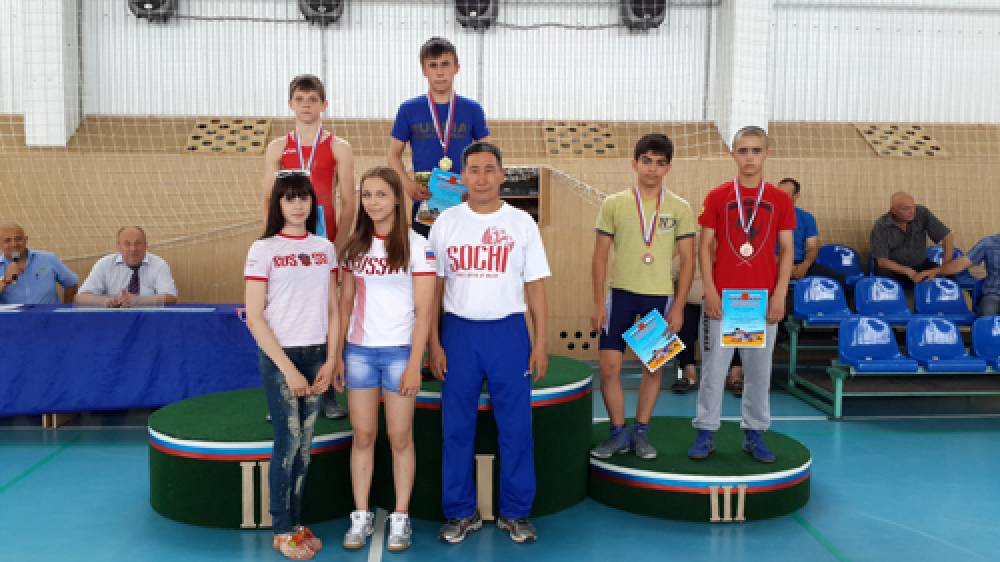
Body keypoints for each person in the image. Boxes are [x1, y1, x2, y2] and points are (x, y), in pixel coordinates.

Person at [428, 142, 549, 544]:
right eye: (474, 170)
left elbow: (535, 287)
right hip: (458, 333)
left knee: (516, 427)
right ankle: (460, 511)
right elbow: (433, 289)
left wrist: (540, 342)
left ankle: (516, 512)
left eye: (488, 169)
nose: (481, 178)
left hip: (508, 333)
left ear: (502, 174)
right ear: (462, 176)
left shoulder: (521, 223)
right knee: (455, 428)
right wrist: (434, 343)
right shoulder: (445, 223)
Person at [335, 167, 436, 552]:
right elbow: (345, 303)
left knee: (400, 436)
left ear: (397, 198)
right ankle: (360, 515)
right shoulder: (354, 247)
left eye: (381, 194)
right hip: (359, 352)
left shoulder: (417, 245)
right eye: (366, 195)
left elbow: (425, 312)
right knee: (362, 435)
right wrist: (338, 355)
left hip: (399, 353)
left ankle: (401, 516)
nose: (373, 202)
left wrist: (415, 363)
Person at [244, 173, 339, 561]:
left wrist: (331, 359)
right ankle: (281, 528)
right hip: (280, 357)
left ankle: (297, 524)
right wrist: (287, 369)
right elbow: (254, 317)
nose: (298, 205)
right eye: (290, 198)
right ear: (278, 205)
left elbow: (333, 308)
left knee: (305, 447)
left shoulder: (324, 248)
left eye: (304, 198)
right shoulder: (263, 249)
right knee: (287, 442)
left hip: (317, 355)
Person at [688, 126, 795, 464]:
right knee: (713, 371)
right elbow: (704, 245)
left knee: (758, 373)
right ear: (733, 154)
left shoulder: (779, 200)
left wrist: (779, 294)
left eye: (756, 150)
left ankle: (755, 433)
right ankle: (706, 431)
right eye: (743, 150)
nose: (750, 157)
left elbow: (787, 249)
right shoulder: (718, 195)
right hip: (723, 300)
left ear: (766, 154)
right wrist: (709, 289)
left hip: (761, 302)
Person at [589, 133, 695, 460]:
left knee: (653, 368)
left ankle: (641, 433)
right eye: (646, 161)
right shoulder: (614, 204)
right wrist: (598, 303)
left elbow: (688, 261)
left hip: (658, 298)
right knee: (609, 368)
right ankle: (618, 433)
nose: (652, 169)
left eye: (660, 163)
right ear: (634, 164)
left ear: (668, 168)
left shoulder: (679, 208)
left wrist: (679, 306)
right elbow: (599, 257)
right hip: (619, 296)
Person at [263, 74, 356, 419]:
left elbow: (349, 200)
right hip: (286, 240)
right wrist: (272, 243)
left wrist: (339, 245)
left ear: (324, 104)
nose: (306, 105)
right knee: (284, 311)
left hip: (325, 239)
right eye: (300, 99)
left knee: (326, 311)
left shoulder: (338, 147)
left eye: (313, 99)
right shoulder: (277, 147)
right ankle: (282, 392)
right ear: (291, 103)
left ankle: (326, 391)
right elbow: (268, 198)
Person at [388, 37, 489, 238]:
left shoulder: (472, 109)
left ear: (456, 67)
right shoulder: (409, 109)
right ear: (424, 70)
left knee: (463, 254)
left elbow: (487, 155)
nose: (440, 72)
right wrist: (407, 185)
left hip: (464, 199)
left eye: (445, 64)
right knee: (426, 254)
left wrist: (476, 187)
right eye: (433, 65)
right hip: (426, 199)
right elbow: (393, 155)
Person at [870, 192, 965, 286]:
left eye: (913, 207)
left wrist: (945, 265)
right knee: (883, 274)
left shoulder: (922, 213)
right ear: (893, 211)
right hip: (895, 269)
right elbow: (882, 261)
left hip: (921, 265)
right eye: (906, 209)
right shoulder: (881, 226)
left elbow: (947, 236)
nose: (912, 211)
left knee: (948, 274)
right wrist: (907, 271)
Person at [74, 226, 178, 307]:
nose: (133, 249)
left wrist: (137, 301)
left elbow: (172, 298)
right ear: (118, 246)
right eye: (127, 244)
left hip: (149, 320)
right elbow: (80, 298)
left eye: (138, 243)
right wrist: (106, 301)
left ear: (146, 245)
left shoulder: (159, 265)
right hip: (113, 319)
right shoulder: (104, 264)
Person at [776, 178, 847, 287]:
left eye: (785, 195)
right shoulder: (766, 216)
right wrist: (784, 266)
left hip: (800, 263)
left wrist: (805, 265)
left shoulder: (806, 217)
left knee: (839, 279)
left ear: (796, 196)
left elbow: (812, 247)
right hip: (774, 263)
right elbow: (761, 248)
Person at [0, 223, 79, 304]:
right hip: (12, 313)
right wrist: (5, 280)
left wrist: (65, 309)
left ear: (26, 240)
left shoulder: (48, 259)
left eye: (18, 239)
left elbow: (71, 283)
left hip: (48, 312)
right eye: (7, 240)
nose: (14, 244)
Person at [946, 233, 1000, 315]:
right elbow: (960, 264)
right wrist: (935, 271)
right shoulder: (989, 243)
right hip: (994, 294)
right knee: (987, 315)